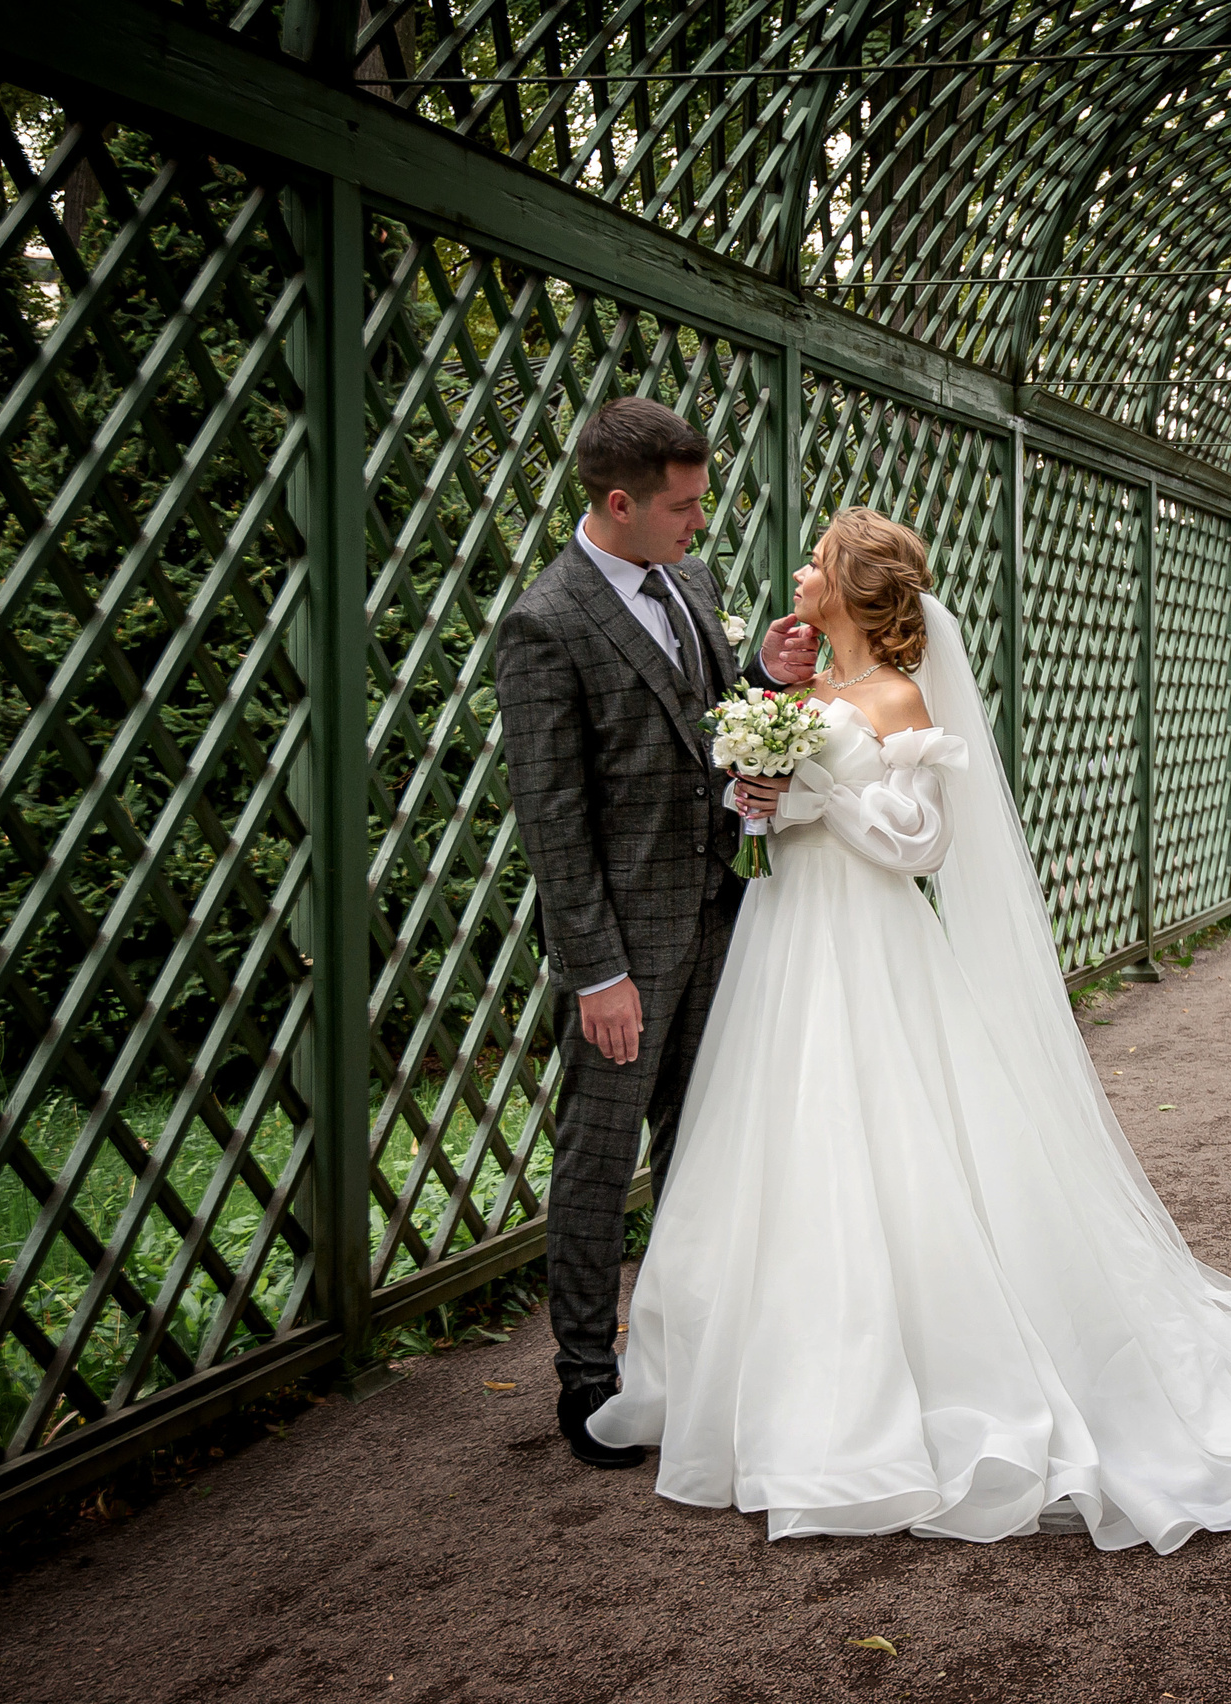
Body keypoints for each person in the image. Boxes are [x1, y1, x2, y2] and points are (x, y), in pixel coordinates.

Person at [587, 508, 1231, 1551]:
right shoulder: (796, 693)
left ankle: (905, 1386)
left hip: (869, 944)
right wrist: (760, 794)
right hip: (786, 938)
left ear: (855, 593)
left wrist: (812, 794)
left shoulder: (897, 697)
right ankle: (765, 1377)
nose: (802, 574)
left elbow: (919, 843)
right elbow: (761, 816)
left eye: (817, 563)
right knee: (783, 1137)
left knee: (890, 1131)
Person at [491, 397, 819, 1468]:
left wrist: (763, 676)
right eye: (681, 506)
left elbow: (712, 728)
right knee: (597, 1158)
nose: (699, 521)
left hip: (722, 917)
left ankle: (685, 1355)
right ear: (618, 503)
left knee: (703, 1145)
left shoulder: (694, 585)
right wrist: (596, 973)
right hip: (625, 951)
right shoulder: (545, 623)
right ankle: (586, 1377)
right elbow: (553, 817)